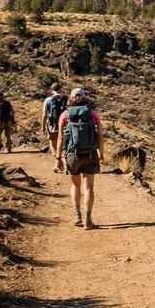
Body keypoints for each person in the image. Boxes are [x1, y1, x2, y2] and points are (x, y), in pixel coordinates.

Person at [58, 88, 104, 229]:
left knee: (75, 185)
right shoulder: (92, 114)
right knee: (89, 187)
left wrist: (58, 157)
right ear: (85, 98)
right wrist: (102, 153)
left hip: (72, 155)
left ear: (71, 99)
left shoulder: (65, 115)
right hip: (90, 154)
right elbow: (100, 136)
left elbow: (60, 137)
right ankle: (88, 220)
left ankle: (77, 217)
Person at [41, 84, 67, 173]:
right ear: (61, 89)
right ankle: (59, 164)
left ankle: (59, 162)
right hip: (64, 126)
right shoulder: (65, 99)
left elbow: (44, 115)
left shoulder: (48, 100)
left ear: (52, 89)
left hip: (52, 126)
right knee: (63, 146)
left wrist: (43, 127)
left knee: (52, 144)